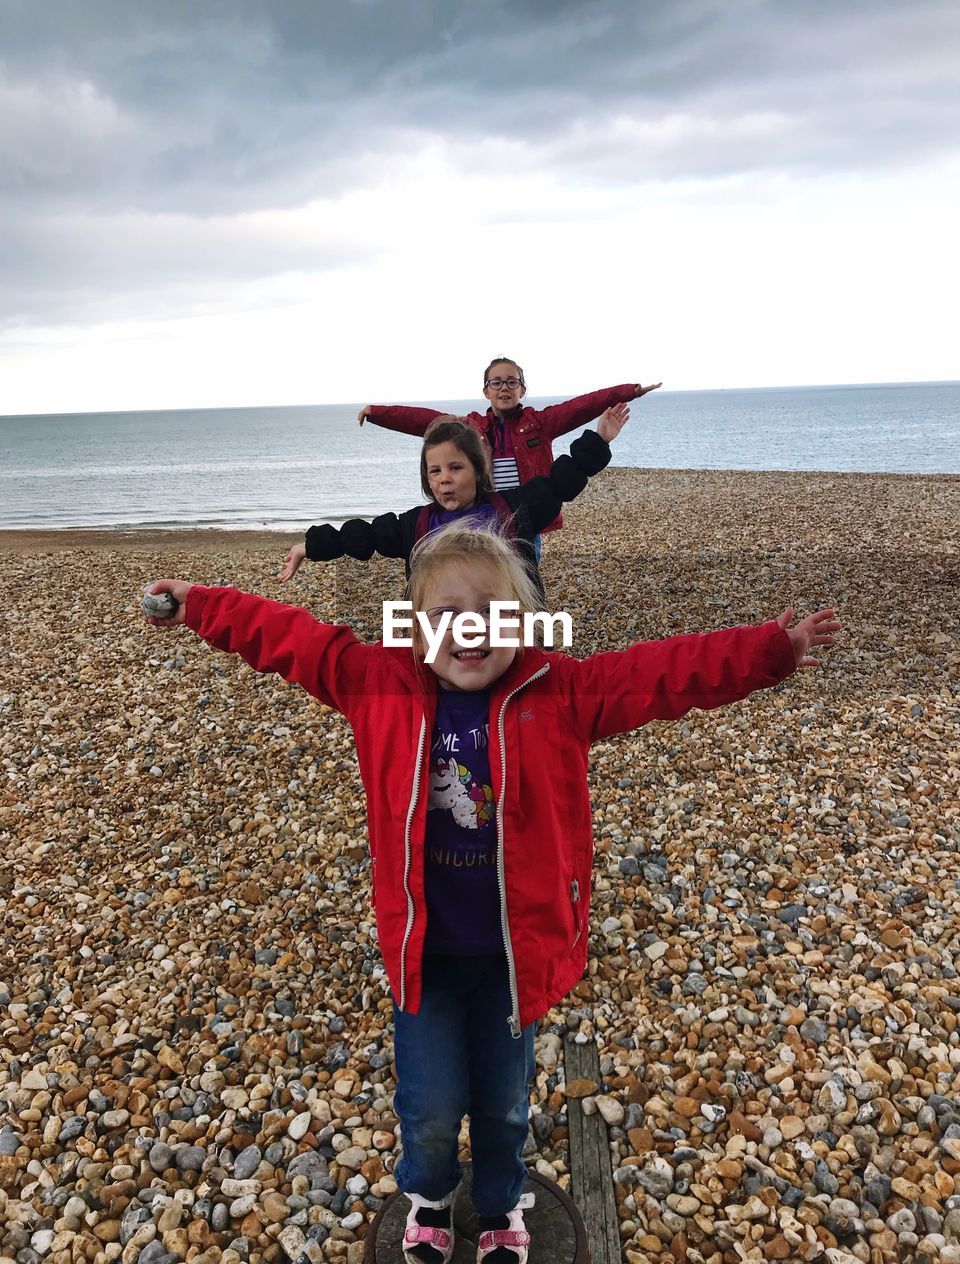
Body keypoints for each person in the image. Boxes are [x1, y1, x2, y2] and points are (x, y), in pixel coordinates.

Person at [144, 525, 839, 1264]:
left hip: (516, 957)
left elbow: (661, 672)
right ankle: (431, 1199)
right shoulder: (373, 682)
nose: (469, 631)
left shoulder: (561, 692)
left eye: (492, 613)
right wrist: (199, 604)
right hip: (426, 959)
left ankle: (504, 1205)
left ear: (524, 623)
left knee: (506, 1108)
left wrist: (769, 652)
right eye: (446, 615)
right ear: (414, 628)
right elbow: (285, 637)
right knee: (431, 1106)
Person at [277, 403, 630, 601]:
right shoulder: (416, 525)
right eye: (435, 471)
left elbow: (561, 481)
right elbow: (363, 536)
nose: (444, 477)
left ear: (477, 471)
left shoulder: (510, 510)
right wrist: (308, 546)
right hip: (445, 640)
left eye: (455, 467)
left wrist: (600, 438)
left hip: (511, 631)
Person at [357, 357, 662, 560]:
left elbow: (584, 405)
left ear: (523, 389)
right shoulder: (469, 426)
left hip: (525, 517)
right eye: (496, 382)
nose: (504, 387)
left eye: (511, 381)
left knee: (523, 584)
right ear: (486, 391)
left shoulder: (541, 423)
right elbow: (423, 421)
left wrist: (631, 390)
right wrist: (377, 413)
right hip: (482, 517)